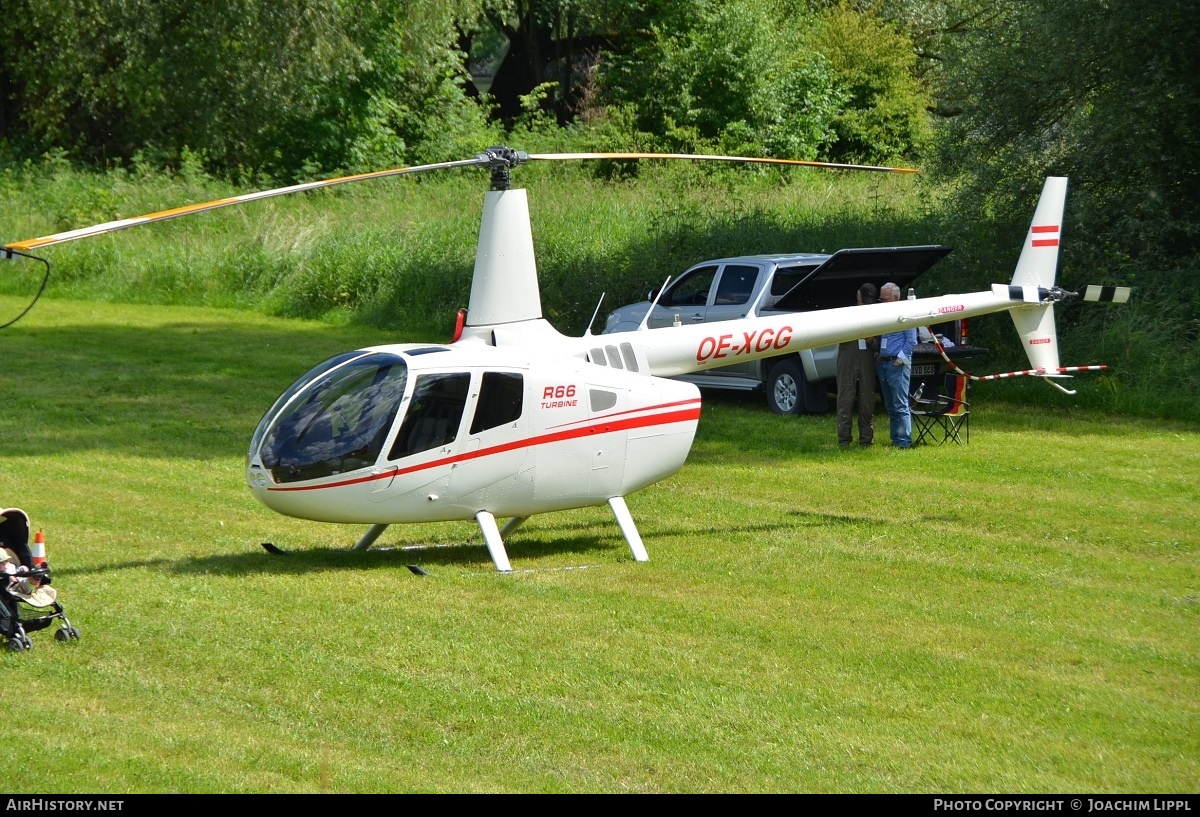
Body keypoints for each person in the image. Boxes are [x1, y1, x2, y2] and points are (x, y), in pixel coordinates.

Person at [836, 282, 879, 447]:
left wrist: (872, 341)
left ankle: (867, 439)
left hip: (866, 358)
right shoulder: (847, 314)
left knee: (867, 397)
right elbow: (836, 335)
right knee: (845, 397)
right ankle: (844, 439)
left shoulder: (875, 316)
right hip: (848, 359)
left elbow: (880, 344)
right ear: (858, 297)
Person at [876, 282, 918, 448]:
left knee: (900, 405)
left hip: (897, 365)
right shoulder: (884, 315)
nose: (882, 303)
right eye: (881, 299)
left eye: (885, 299)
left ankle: (904, 441)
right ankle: (896, 438)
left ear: (896, 298)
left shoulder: (906, 314)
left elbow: (912, 341)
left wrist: (898, 360)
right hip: (884, 363)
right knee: (890, 405)